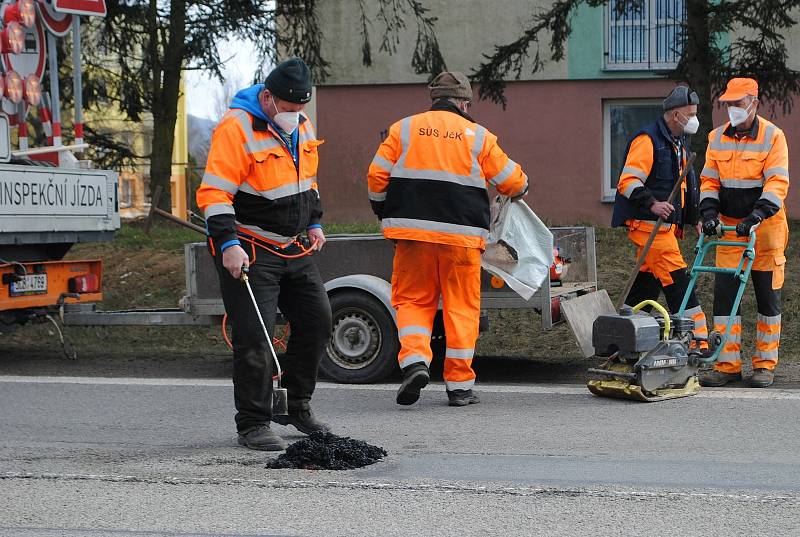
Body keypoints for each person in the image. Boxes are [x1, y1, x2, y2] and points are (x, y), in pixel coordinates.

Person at [366, 71, 528, 407]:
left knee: (413, 301)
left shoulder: (403, 129)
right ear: (464, 102)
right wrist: (524, 185)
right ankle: (459, 387)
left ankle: (414, 363)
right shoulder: (478, 136)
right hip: (462, 240)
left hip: (412, 235)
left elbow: (376, 176)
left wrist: (385, 213)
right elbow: (512, 181)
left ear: (434, 98)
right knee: (461, 308)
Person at [196, 58, 332, 450]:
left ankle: (296, 405)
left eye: (301, 108)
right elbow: (215, 194)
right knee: (256, 336)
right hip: (250, 247)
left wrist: (315, 223)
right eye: (289, 109)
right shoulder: (236, 128)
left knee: (318, 321)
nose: (296, 116)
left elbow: (307, 181)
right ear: (269, 98)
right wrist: (228, 244)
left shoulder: (302, 125)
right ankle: (253, 423)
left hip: (294, 245)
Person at [698, 78, 789, 388]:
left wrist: (757, 215)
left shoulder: (773, 137)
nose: (733, 109)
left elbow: (777, 184)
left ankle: (764, 365)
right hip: (728, 231)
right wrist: (708, 213)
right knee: (725, 303)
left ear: (754, 104)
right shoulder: (716, 138)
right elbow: (709, 181)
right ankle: (727, 364)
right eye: (729, 104)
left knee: (767, 300)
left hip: (764, 231)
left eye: (738, 103)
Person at [611, 86, 709, 346]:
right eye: (690, 114)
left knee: (646, 285)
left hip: (664, 228)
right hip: (648, 226)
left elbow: (686, 186)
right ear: (675, 115)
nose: (694, 119)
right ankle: (697, 343)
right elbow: (628, 182)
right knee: (679, 280)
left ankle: (623, 340)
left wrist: (695, 217)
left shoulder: (678, 142)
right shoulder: (648, 140)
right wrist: (653, 204)